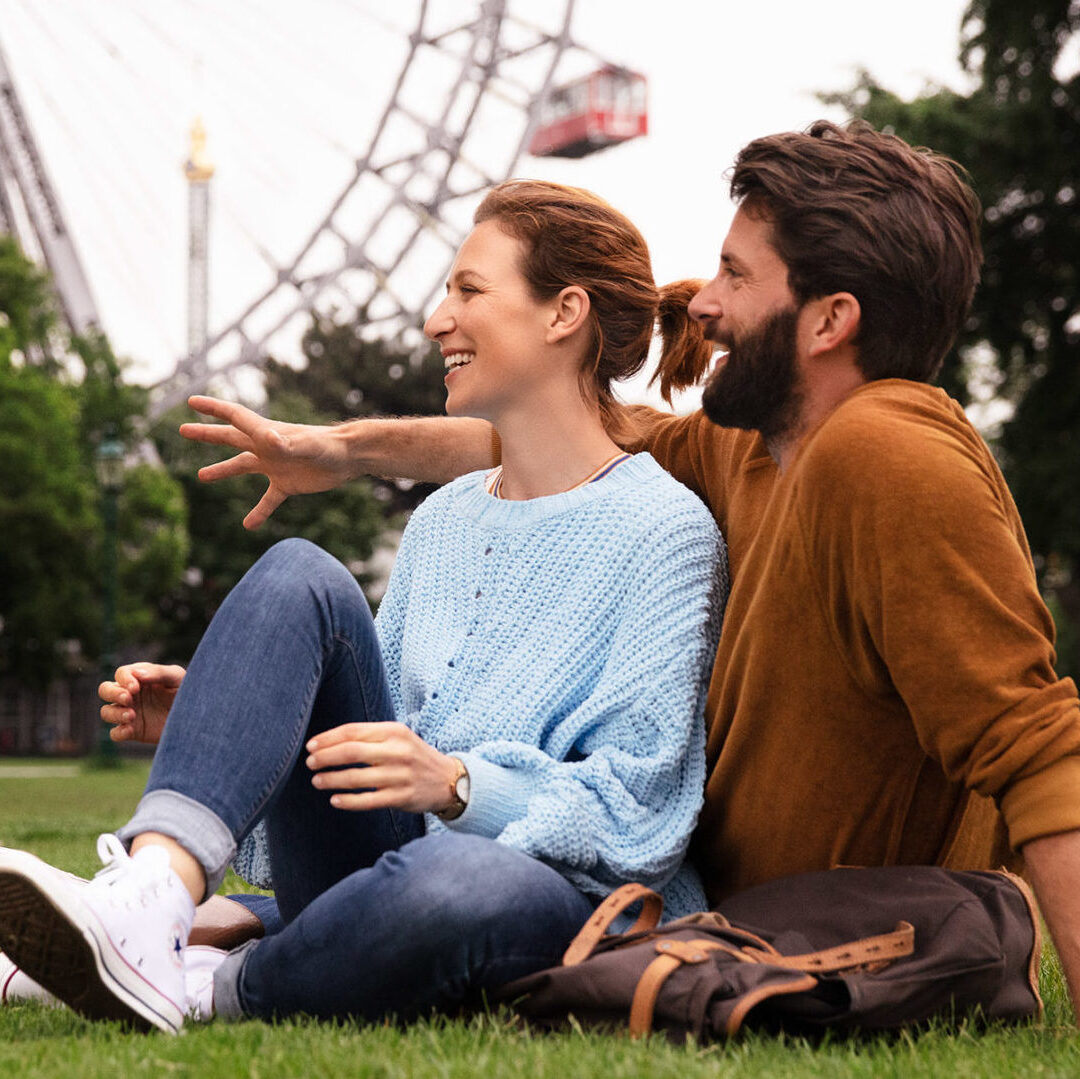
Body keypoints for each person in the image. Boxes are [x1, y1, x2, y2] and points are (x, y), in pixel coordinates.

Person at [164, 121, 1080, 1019]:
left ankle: (211, 957)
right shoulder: (747, 451)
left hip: (781, 929)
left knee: (464, 884)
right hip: (663, 909)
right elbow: (559, 431)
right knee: (311, 597)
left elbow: (1036, 746)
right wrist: (344, 451)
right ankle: (181, 912)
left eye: (736, 274)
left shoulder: (888, 453)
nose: (703, 304)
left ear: (832, 320)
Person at [0, 180, 727, 1032]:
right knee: (300, 568)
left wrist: (459, 784)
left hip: (546, 898)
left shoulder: (667, 531)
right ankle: (150, 897)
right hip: (388, 864)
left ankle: (201, 981)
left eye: (468, 290)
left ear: (564, 312)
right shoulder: (443, 519)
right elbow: (356, 758)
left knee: (459, 882)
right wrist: (234, 722)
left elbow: (641, 810)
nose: (436, 319)